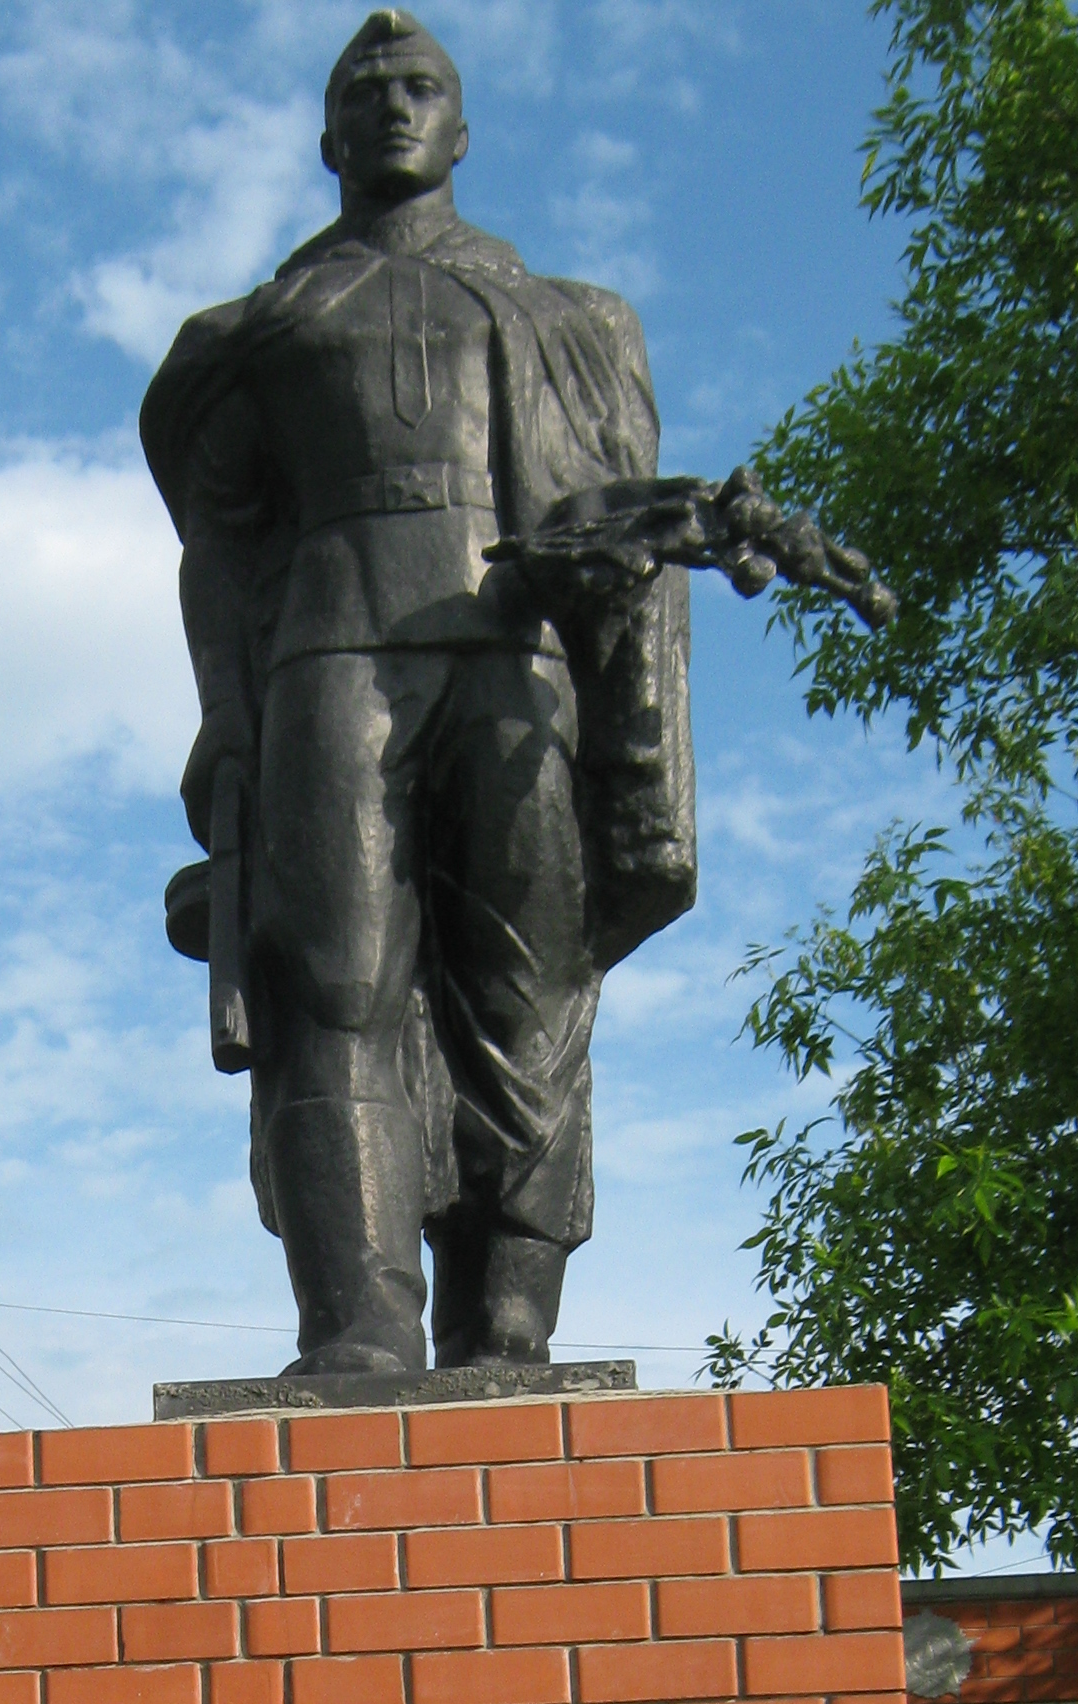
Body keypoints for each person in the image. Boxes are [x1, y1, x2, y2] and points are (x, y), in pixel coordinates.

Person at [142, 11, 696, 1374]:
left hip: (521, 662)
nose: (393, 106)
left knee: (529, 995)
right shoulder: (261, 332)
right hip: (333, 657)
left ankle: (507, 1318)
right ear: (327, 134)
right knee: (334, 983)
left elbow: (623, 534)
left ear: (462, 126)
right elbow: (219, 546)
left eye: (421, 87)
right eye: (366, 91)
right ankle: (361, 1321)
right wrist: (231, 728)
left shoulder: (576, 317)